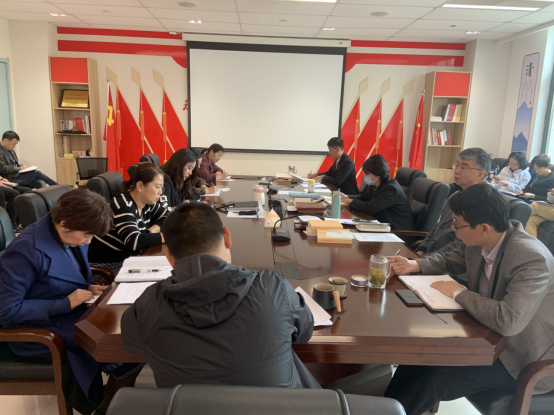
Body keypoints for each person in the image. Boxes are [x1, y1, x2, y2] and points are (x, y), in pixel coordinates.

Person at [384, 183, 554, 415]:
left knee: (437, 377)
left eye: (457, 223)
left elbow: (509, 321)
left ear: (483, 228)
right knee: (417, 355)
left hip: (521, 357)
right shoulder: (482, 241)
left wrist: (458, 292)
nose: (452, 228)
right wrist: (414, 265)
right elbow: (451, 259)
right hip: (485, 335)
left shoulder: (531, 258)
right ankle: (381, 408)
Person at [121, 202, 319, 389]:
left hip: (186, 407)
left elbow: (131, 341)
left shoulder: (147, 306)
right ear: (227, 237)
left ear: (169, 258)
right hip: (278, 406)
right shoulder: (273, 288)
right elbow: (304, 332)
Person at [0, 188, 143, 415]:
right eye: (87, 235)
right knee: (128, 348)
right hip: (41, 328)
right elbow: (7, 311)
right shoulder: (25, 251)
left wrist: (88, 286)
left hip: (71, 315)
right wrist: (65, 302)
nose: (89, 241)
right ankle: (104, 406)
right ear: (65, 223)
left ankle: (110, 400)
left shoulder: (69, 232)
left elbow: (68, 274)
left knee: (133, 334)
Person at [88, 163, 169, 267]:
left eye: (162, 187)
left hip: (128, 258)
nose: (160, 192)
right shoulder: (123, 206)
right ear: (140, 186)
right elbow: (133, 241)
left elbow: (169, 216)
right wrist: (166, 237)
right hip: (108, 265)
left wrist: (151, 231)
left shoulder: (146, 203)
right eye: (157, 187)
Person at [416, 148, 490, 257]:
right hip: (431, 258)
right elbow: (438, 226)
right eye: (457, 166)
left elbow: (460, 246)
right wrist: (421, 250)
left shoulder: (484, 202)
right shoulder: (455, 195)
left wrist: (423, 260)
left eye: (463, 167)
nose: (456, 171)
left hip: (451, 263)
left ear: (480, 174)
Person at [340, 154, 411, 230]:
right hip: (381, 225)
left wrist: (352, 201)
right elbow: (365, 197)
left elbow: (371, 207)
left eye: (367, 173)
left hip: (396, 230)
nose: (364, 175)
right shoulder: (376, 183)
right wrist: (347, 197)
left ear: (378, 174)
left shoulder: (391, 189)